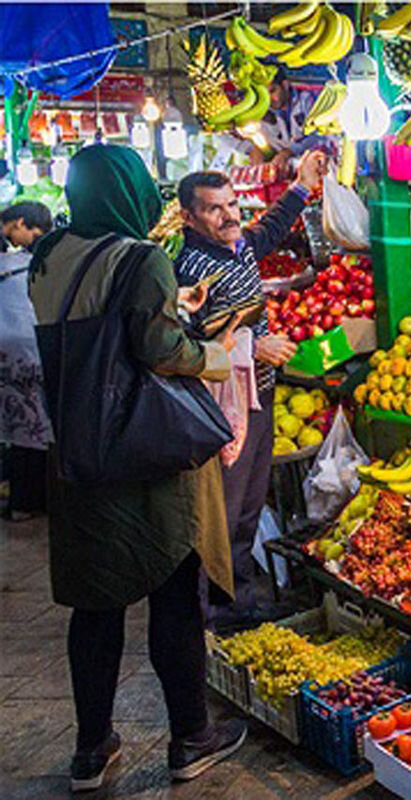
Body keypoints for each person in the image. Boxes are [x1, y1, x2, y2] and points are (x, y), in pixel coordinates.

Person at [27, 145, 246, 792]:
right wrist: (215, 353)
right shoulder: (141, 255)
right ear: (128, 191)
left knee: (94, 602)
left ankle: (91, 750)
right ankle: (191, 737)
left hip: (77, 446)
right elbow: (157, 346)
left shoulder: (49, 254)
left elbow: (92, 320)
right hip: (141, 448)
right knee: (175, 588)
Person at [175, 149, 327, 630]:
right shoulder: (190, 268)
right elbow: (185, 342)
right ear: (188, 216)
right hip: (220, 408)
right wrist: (253, 348)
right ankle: (216, 615)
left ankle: (238, 606)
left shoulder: (235, 246)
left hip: (256, 398)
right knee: (223, 517)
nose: (229, 215)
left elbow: (267, 232)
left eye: (232, 204)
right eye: (214, 208)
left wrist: (302, 185)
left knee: (244, 513)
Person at [0, 201, 53, 519]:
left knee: (18, 428)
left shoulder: (14, 260)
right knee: (34, 427)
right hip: (27, 349)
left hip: (11, 353)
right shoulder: (26, 262)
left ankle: (20, 497)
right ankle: (28, 499)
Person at [239, 69, 331, 168]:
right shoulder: (263, 113)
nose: (269, 99)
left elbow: (320, 135)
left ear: (285, 85)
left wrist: (289, 152)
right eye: (264, 95)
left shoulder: (308, 99)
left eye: (272, 91)